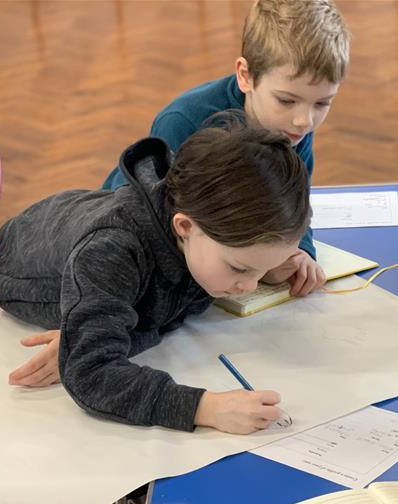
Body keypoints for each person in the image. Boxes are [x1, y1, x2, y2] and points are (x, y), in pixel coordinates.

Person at [0, 116, 311, 434]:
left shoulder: (204, 236)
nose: (249, 287)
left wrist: (272, 268)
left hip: (81, 221)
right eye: (240, 269)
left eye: (261, 271)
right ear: (185, 226)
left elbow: (160, 313)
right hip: (19, 258)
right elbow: (90, 375)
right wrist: (204, 408)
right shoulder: (112, 252)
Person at [102, 0, 351, 299]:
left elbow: (293, 207)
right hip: (123, 239)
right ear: (245, 76)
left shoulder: (292, 128)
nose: (305, 120)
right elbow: (163, 225)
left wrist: (299, 253)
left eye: (322, 103)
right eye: (286, 100)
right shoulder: (184, 121)